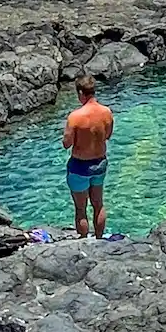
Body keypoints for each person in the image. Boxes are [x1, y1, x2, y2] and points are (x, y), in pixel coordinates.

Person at [63, 73, 114, 238]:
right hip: (100, 163)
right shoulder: (106, 112)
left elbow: (67, 143)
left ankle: (84, 241)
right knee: (98, 204)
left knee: (80, 208)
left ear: (80, 93)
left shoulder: (75, 117)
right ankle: (99, 238)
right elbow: (107, 135)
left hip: (80, 165)